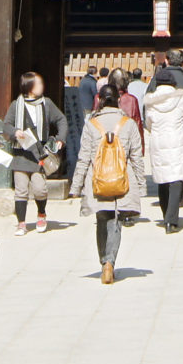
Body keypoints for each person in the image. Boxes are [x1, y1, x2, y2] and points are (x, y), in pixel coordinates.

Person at [70, 83, 146, 282]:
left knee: (102, 219)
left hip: (98, 178)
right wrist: (141, 184)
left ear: (99, 100)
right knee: (116, 221)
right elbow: (136, 157)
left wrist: (76, 186)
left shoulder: (91, 125)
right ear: (118, 100)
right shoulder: (128, 123)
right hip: (121, 178)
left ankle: (104, 261)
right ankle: (110, 261)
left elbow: (83, 157)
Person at [5, 72, 67, 236]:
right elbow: (6, 125)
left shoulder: (46, 104)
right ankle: (21, 223)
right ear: (29, 87)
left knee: (40, 189)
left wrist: (61, 139)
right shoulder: (15, 105)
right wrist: (15, 131)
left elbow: (61, 120)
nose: (41, 86)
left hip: (39, 154)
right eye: (38, 84)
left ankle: (41, 214)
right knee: (21, 190)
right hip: (20, 154)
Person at [142, 65, 183, 232]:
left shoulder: (151, 101)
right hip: (177, 140)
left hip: (159, 141)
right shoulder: (180, 98)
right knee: (176, 180)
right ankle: (171, 220)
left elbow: (149, 123)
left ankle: (165, 215)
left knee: (163, 179)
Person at [66, 66, 99, 173]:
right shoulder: (92, 82)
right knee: (88, 122)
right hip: (89, 104)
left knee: (84, 121)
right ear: (94, 72)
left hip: (81, 103)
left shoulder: (83, 80)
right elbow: (95, 94)